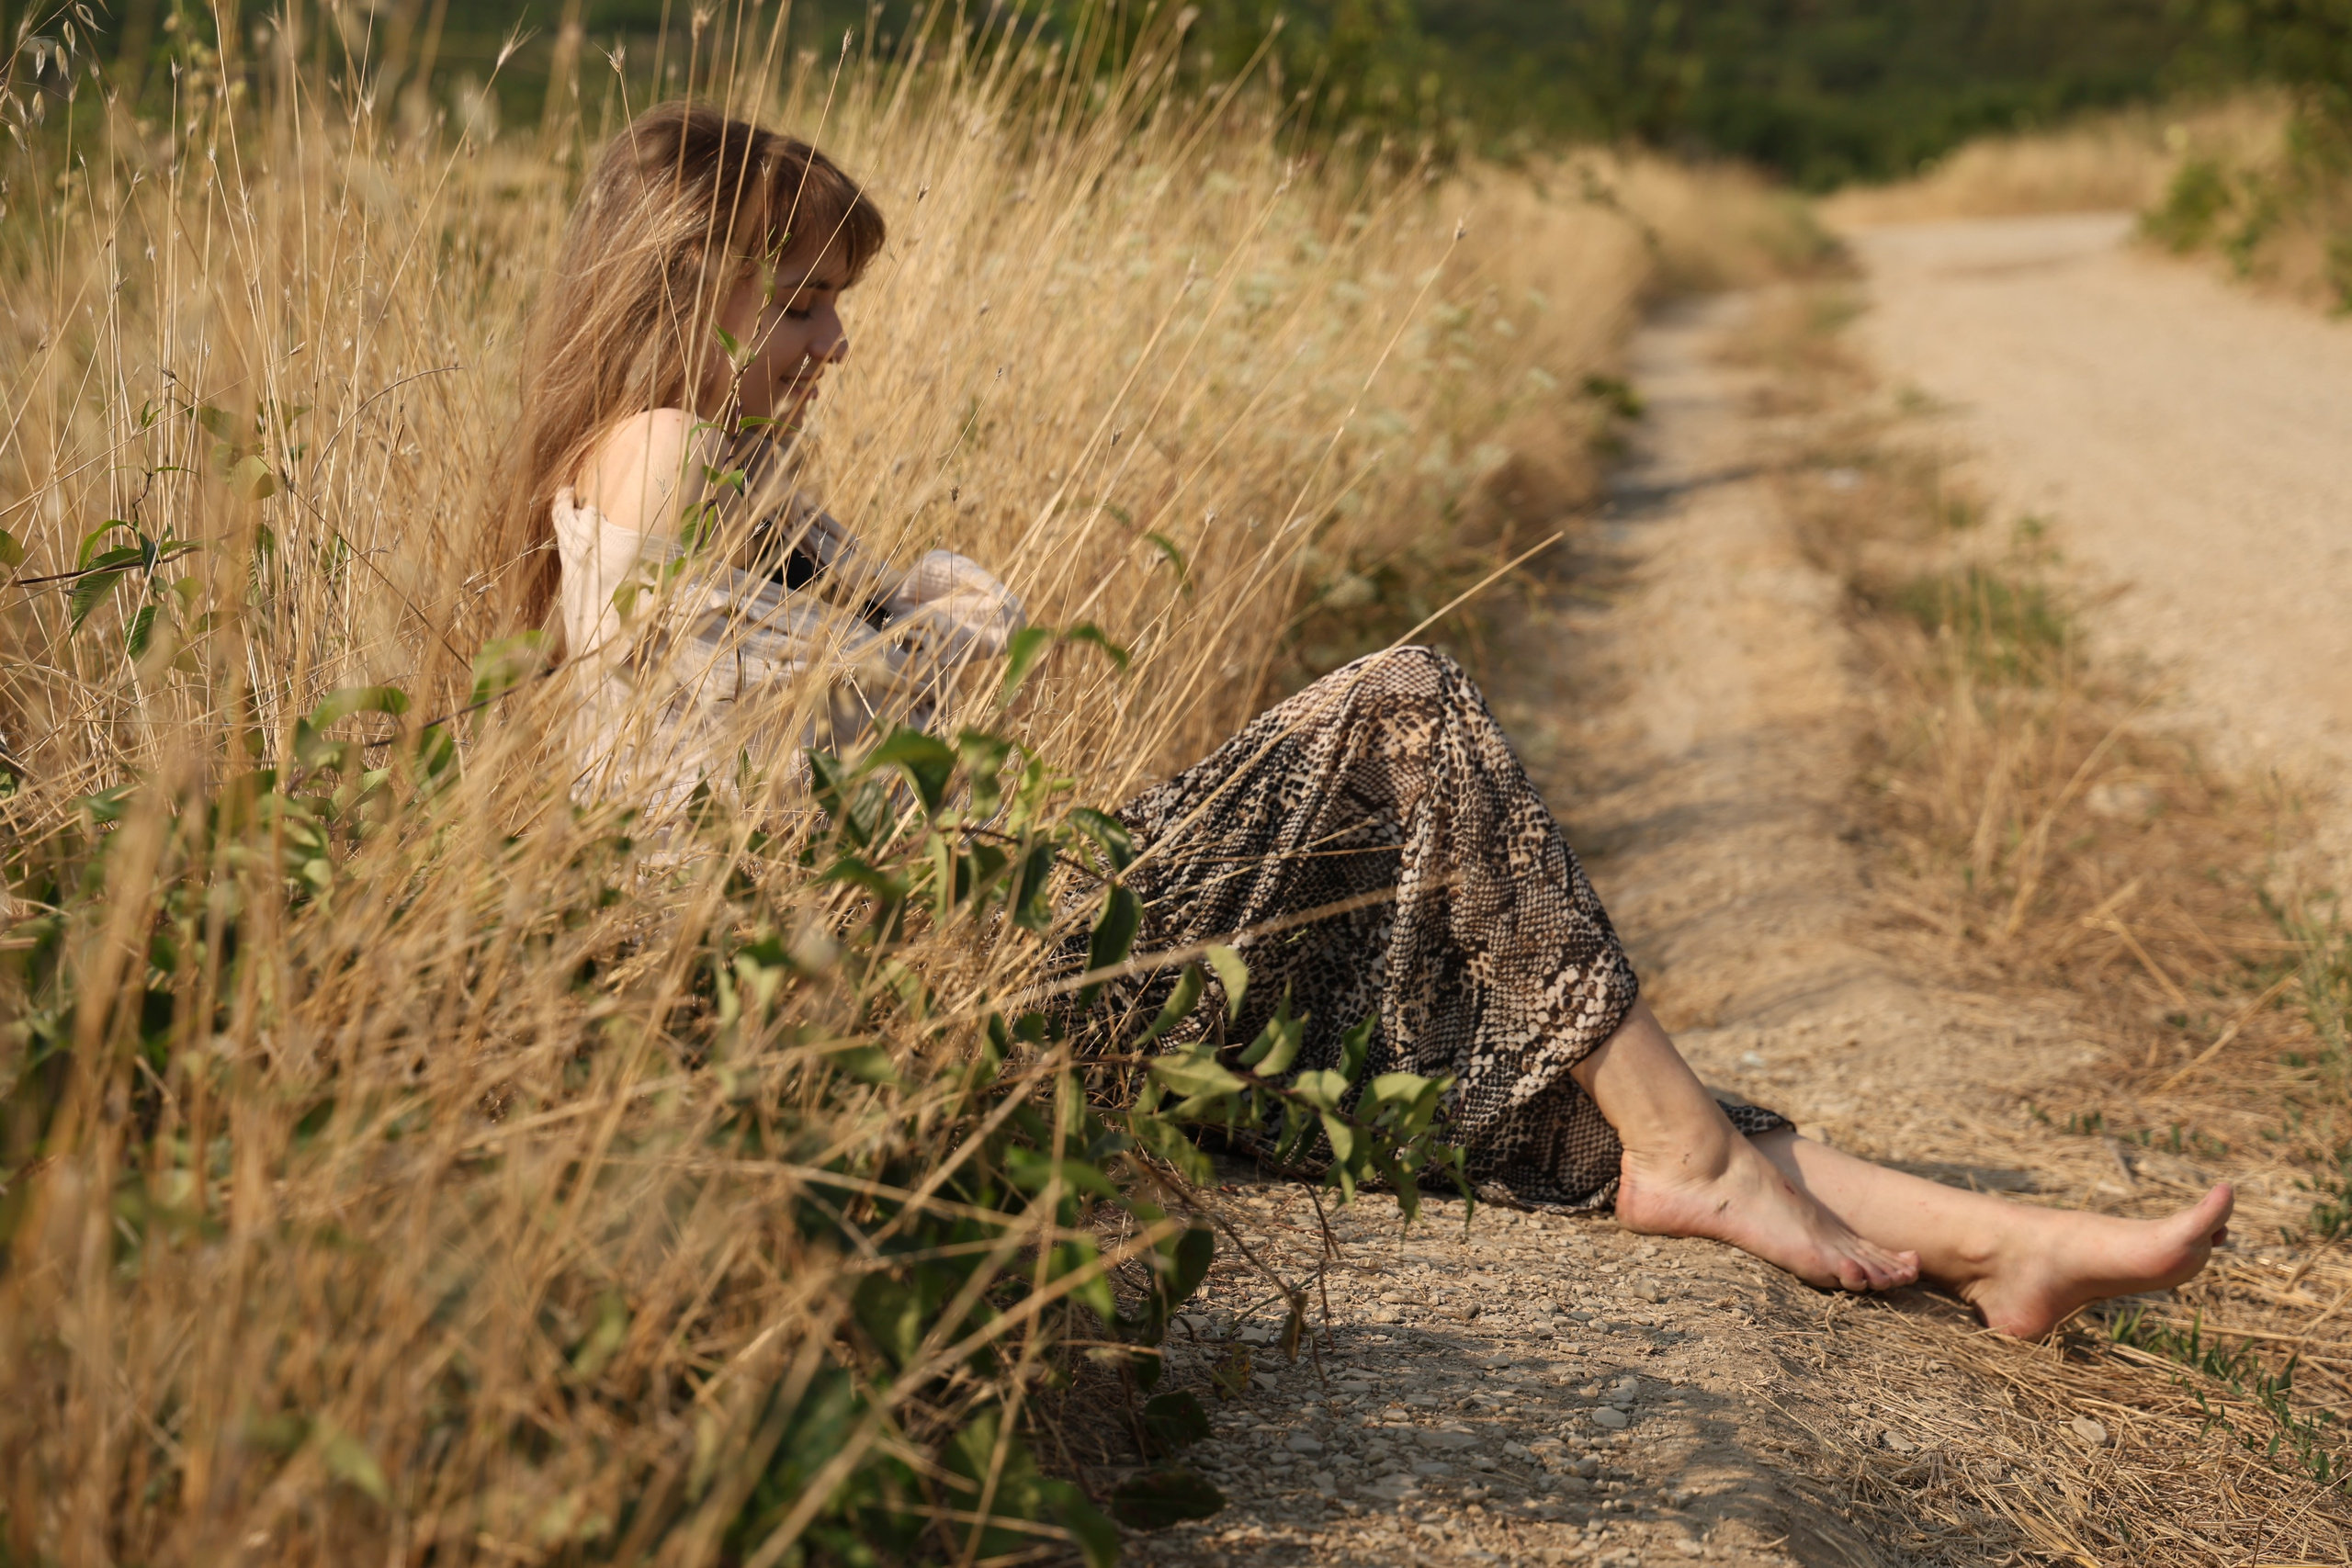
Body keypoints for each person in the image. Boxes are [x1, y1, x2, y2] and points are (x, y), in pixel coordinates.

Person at [491, 102, 2233, 1341]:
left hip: (961, 954)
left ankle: (2000, 1242)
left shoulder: (710, 472)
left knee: (1542, 1068)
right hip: (941, 977)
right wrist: (937, 638)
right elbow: (737, 781)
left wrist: (932, 638)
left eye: (834, 310)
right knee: (1406, 709)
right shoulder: (657, 450)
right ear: (685, 287)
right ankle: (1727, 1164)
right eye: (799, 305)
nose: (831, 351)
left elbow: (811, 719)